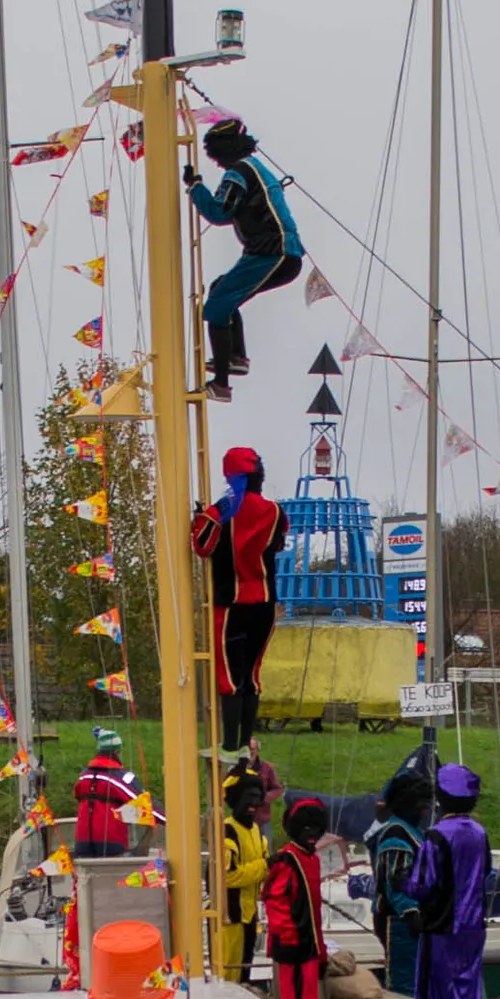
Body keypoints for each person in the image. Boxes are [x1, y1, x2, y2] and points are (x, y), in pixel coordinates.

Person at [185, 116, 303, 399]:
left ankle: (222, 384)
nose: (216, 163)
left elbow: (219, 212)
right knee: (222, 291)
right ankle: (237, 356)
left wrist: (195, 187)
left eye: (215, 156)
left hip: (273, 251)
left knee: (217, 305)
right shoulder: (256, 168)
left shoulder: (240, 171)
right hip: (279, 252)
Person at [189, 448, 288, 750]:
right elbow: (279, 543)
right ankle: (246, 742)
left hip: (230, 602)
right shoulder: (275, 511)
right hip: (266, 603)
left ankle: (229, 744)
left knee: (228, 675)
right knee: (251, 673)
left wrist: (199, 517)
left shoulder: (222, 510)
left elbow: (202, 546)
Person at [412, 760, 492, 999]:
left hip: (442, 927)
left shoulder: (436, 835)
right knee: (469, 987)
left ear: (442, 796)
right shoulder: (479, 833)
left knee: (439, 993)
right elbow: (486, 870)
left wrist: (399, 880)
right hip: (473, 927)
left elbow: (421, 885)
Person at [363, 754, 435, 998]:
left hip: (412, 920)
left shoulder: (413, 831)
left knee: (419, 978)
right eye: (421, 802)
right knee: (405, 981)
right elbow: (395, 880)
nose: (427, 808)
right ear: (406, 802)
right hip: (399, 920)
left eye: (428, 802)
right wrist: (412, 912)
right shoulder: (397, 835)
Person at [261, 795, 332, 999]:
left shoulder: (312, 859)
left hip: (309, 948)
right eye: (306, 828)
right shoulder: (286, 860)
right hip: (293, 948)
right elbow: (275, 903)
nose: (312, 834)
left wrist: (320, 953)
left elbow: (315, 914)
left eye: (316, 829)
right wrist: (291, 941)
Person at [214, 764, 269, 982]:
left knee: (246, 967)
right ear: (236, 799)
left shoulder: (256, 830)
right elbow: (229, 876)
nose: (254, 804)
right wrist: (264, 867)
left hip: (249, 913)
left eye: (258, 798)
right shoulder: (227, 830)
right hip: (231, 915)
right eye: (249, 797)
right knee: (230, 970)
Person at [73, 728, 140, 854]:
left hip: (82, 840)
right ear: (116, 751)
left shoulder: (83, 776)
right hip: (112, 839)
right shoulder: (122, 777)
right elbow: (142, 802)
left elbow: (77, 795)